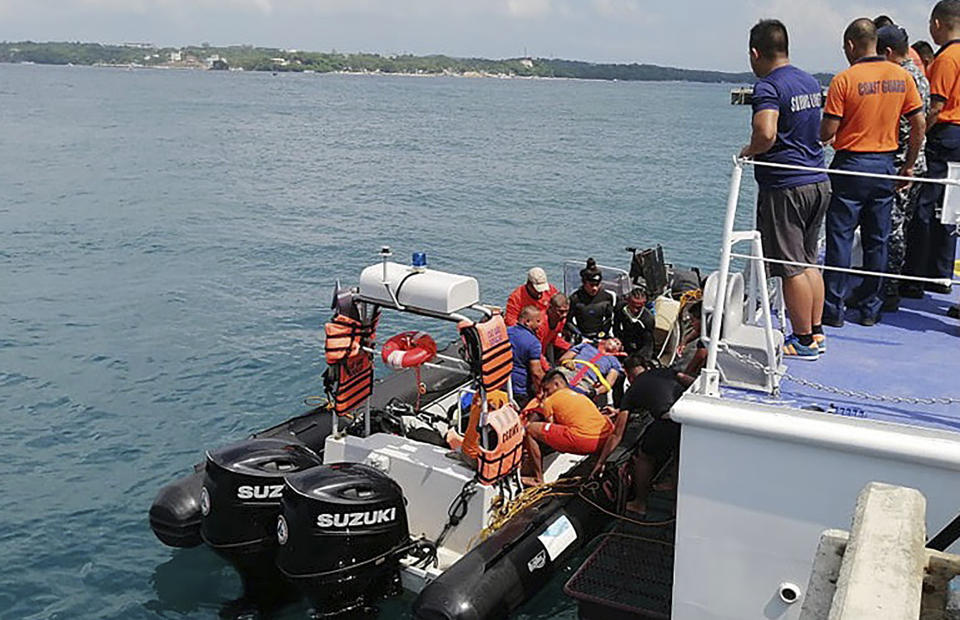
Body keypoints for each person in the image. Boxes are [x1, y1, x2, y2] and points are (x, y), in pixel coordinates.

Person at [820, 18, 925, 327]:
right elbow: (918, 124)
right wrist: (908, 165)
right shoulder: (901, 77)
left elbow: (827, 131)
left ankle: (832, 309)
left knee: (839, 239)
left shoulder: (844, 80)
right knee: (877, 240)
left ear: (851, 45)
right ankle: (870, 308)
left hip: (851, 164)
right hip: (885, 164)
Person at [739, 19, 831, 359]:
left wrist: (749, 151)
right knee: (808, 262)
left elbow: (766, 132)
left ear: (755, 53)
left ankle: (803, 339)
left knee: (790, 266)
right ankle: (816, 332)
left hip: (786, 186)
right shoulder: (808, 80)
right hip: (817, 180)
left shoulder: (768, 86)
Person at [903, 0, 960, 300]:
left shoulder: (947, 59)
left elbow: (936, 107)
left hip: (946, 136)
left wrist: (919, 135)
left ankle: (915, 276)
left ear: (938, 23)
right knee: (951, 210)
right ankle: (941, 273)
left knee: (925, 207)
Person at [877, 25, 930, 312]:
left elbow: (910, 125)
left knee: (894, 227)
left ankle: (889, 288)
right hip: (917, 161)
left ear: (886, 51)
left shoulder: (902, 77)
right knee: (904, 224)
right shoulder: (919, 74)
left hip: (902, 163)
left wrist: (905, 165)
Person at [615, 356, 694, 516]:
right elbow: (687, 379)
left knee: (644, 457)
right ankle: (677, 504)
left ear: (629, 376)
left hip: (668, 419)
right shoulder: (663, 372)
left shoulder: (632, 390)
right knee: (680, 454)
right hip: (688, 416)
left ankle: (639, 503)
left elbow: (617, 433)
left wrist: (600, 463)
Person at [522, 369, 626, 485]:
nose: (546, 394)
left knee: (531, 429)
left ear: (557, 384)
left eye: (547, 389)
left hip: (584, 441)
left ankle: (537, 478)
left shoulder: (549, 401)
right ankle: (596, 463)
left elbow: (550, 426)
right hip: (605, 440)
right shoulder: (580, 396)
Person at [558, 338, 624, 403]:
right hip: (567, 372)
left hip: (585, 383)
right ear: (604, 340)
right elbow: (563, 358)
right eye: (614, 340)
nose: (615, 343)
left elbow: (608, 384)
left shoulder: (614, 362)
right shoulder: (586, 346)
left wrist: (595, 391)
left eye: (618, 344)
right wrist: (567, 362)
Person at [566, 258, 615, 341]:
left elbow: (608, 319)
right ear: (584, 283)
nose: (595, 288)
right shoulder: (575, 298)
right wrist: (579, 335)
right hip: (582, 336)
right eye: (591, 285)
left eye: (597, 284)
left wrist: (602, 334)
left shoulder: (607, 297)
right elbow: (568, 321)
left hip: (601, 336)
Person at [507, 305, 544, 407]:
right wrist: (542, 392)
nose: (540, 325)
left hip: (503, 385)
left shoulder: (506, 332)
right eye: (538, 321)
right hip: (520, 391)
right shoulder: (533, 343)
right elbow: (536, 373)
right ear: (527, 322)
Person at [613, 285, 655, 359]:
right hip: (624, 341)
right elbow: (616, 326)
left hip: (639, 346)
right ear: (628, 301)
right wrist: (618, 340)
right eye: (633, 306)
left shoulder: (648, 319)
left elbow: (648, 344)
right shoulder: (620, 308)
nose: (635, 310)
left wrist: (639, 359)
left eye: (639, 307)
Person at [538, 292, 571, 367]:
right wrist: (547, 367)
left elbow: (553, 338)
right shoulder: (540, 323)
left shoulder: (560, 320)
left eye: (567, 311)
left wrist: (571, 348)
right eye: (561, 311)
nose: (564, 315)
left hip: (543, 353)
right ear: (550, 308)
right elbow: (534, 350)